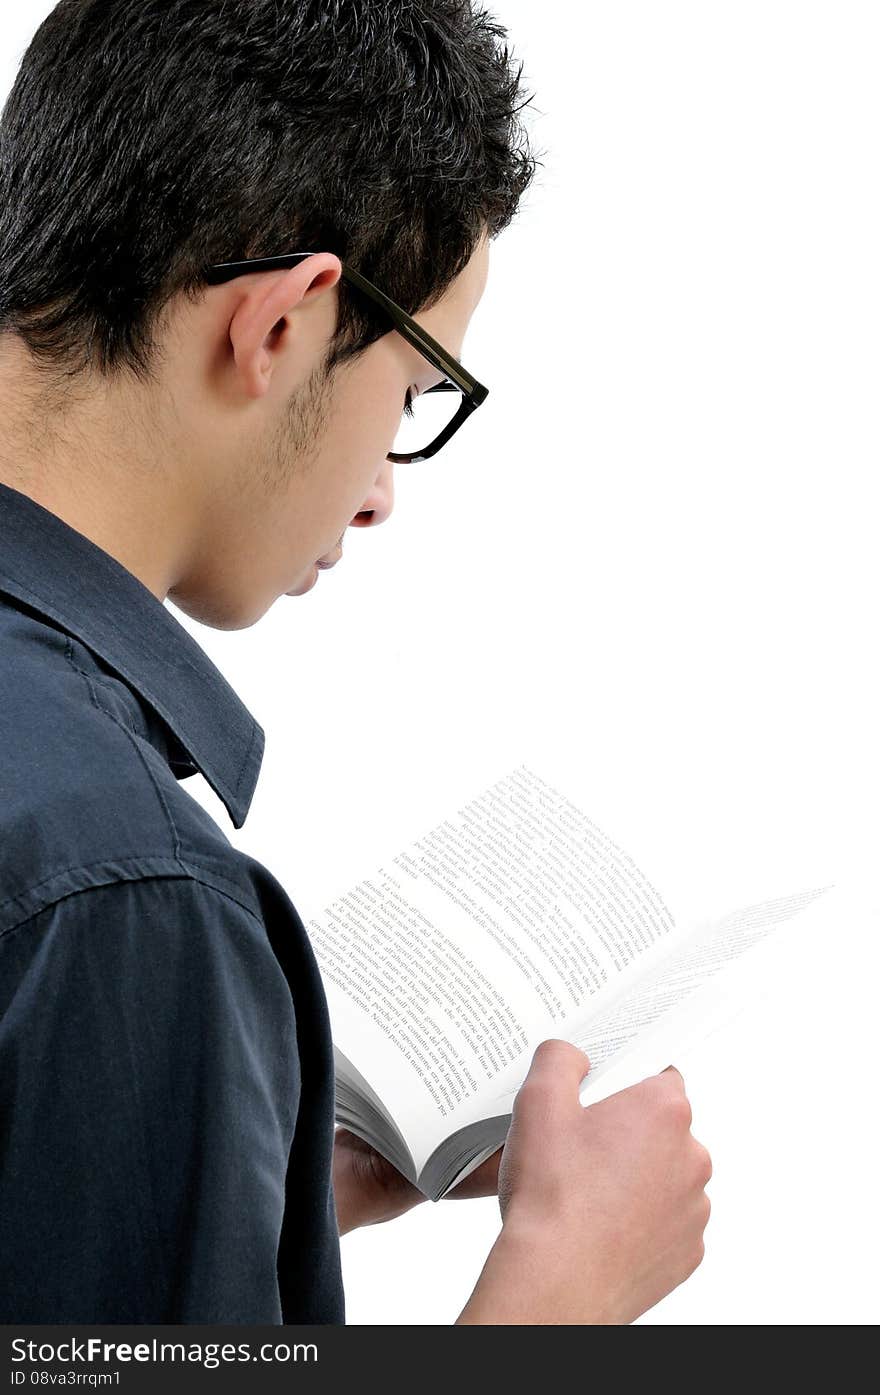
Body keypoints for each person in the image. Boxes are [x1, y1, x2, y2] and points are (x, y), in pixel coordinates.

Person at [0, 0, 711, 1325]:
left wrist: (229, 1180)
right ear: (278, 324)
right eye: (414, 391)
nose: (381, 489)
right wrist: (554, 1300)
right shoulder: (125, 892)